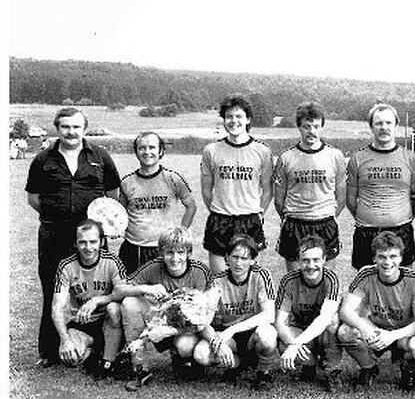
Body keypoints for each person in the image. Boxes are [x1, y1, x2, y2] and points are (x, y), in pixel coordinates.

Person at [26, 107, 121, 367]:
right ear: (57, 128)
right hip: (53, 236)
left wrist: (95, 227)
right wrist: (58, 216)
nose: (71, 132)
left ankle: (105, 345)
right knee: (53, 290)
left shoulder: (100, 157)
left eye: (76, 127)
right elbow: (34, 198)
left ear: (84, 129)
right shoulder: (43, 159)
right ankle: (48, 352)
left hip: (91, 238)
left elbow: (113, 195)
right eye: (66, 126)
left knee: (97, 289)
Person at [116, 227, 214, 391]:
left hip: (188, 328)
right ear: (161, 252)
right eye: (169, 253)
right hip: (159, 318)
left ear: (188, 253)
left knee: (185, 346)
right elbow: (119, 289)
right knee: (129, 303)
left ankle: (187, 359)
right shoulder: (154, 266)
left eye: (180, 252)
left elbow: (202, 318)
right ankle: (141, 368)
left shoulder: (199, 272)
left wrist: (166, 331)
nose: (175, 258)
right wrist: (146, 289)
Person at [338, 231, 415, 391]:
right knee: (345, 332)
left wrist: (392, 336)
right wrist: (365, 328)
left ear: (401, 258)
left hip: (403, 333)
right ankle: (369, 367)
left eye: (393, 256)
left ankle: (408, 369)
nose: (388, 262)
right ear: (374, 258)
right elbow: (346, 310)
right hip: (376, 329)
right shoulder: (366, 274)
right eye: (382, 257)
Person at [193, 234, 278, 389]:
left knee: (268, 335)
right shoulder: (216, 281)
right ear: (227, 258)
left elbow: (269, 314)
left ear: (253, 260)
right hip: (228, 337)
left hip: (252, 333)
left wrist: (233, 329)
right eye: (235, 257)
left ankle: (263, 373)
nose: (239, 263)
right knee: (201, 354)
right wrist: (219, 345)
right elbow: (202, 322)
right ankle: (237, 365)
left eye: (244, 258)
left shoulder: (261, 275)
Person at [201, 95, 274, 274]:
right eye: (229, 117)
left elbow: (267, 190)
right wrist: (219, 210)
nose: (234, 121)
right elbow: (205, 189)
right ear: (224, 120)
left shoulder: (262, 151)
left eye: (239, 116)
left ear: (247, 119)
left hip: (249, 220)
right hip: (220, 220)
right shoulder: (211, 151)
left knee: (249, 281)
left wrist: (259, 212)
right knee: (219, 281)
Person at [274, 101, 346, 272]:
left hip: (325, 224)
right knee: (293, 282)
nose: (312, 131)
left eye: (316, 126)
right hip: (295, 225)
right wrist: (291, 216)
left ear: (322, 127)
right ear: (299, 127)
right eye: (307, 126)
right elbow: (279, 199)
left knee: (328, 281)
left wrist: (326, 215)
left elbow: (341, 196)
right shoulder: (286, 158)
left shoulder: (335, 156)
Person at [346, 103, 415, 270]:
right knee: (366, 285)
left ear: (396, 126)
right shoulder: (358, 159)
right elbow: (351, 200)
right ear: (371, 127)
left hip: (401, 231)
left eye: (388, 123)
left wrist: (398, 216)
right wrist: (371, 216)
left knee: (403, 285)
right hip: (367, 233)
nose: (384, 127)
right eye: (378, 123)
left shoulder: (410, 159)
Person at [51, 219, 127, 377]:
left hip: (108, 320)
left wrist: (97, 300)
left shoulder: (112, 261)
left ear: (101, 242)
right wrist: (65, 340)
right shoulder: (66, 266)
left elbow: (123, 292)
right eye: (82, 242)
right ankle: (96, 349)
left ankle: (107, 354)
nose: (88, 247)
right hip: (81, 322)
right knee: (70, 358)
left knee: (114, 309)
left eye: (93, 242)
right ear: (75, 244)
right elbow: (57, 307)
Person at [120, 131, 197, 274]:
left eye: (152, 147)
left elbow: (191, 206)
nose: (147, 152)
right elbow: (120, 214)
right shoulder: (127, 182)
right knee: (132, 291)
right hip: (134, 248)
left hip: (164, 249)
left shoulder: (174, 178)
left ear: (160, 151)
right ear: (136, 152)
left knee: (164, 292)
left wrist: (181, 232)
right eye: (142, 148)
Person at [274, 235, 343, 392]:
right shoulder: (288, 280)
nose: (311, 265)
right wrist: (292, 342)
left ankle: (332, 371)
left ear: (324, 259)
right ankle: (309, 366)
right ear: (298, 260)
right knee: (283, 338)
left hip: (322, 332)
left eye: (316, 260)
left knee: (332, 321)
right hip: (300, 329)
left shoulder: (331, 279)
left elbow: (325, 318)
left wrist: (296, 345)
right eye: (305, 260)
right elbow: (279, 322)